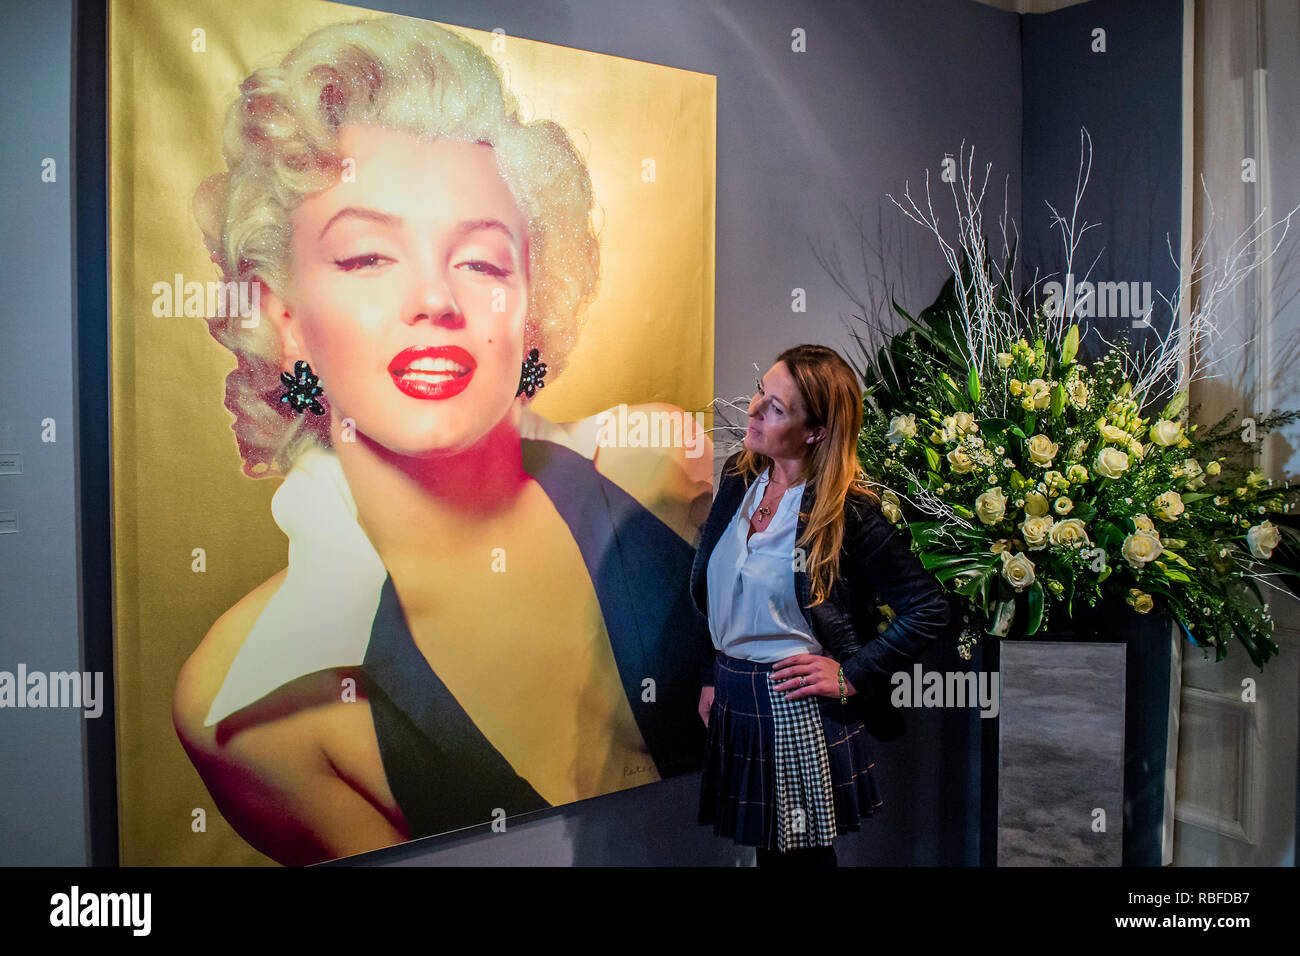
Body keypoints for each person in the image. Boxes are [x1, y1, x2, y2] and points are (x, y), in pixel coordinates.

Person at [171, 15, 714, 865]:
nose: (435, 299)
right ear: (284, 320)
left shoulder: (652, 471)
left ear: (533, 311)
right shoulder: (242, 701)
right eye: (365, 258)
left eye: (484, 262)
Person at [690, 344, 954, 867]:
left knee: (800, 864)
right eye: (761, 392)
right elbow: (721, 593)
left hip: (795, 704)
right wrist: (713, 671)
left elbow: (930, 608)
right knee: (771, 858)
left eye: (777, 408)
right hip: (735, 693)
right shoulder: (739, 476)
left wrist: (854, 672)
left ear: (816, 432)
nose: (754, 410)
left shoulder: (849, 510)